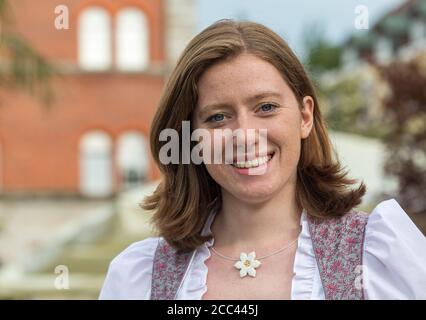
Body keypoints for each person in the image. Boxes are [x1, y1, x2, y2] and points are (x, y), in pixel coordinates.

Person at [99, 19, 426, 300]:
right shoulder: (140, 278)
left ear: (304, 116)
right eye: (217, 117)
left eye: (266, 107)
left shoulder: (379, 257)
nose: (245, 134)